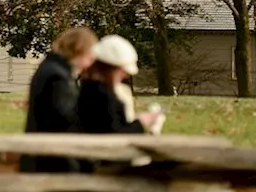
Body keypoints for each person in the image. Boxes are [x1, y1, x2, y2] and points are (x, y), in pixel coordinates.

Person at [19, 26, 98, 174]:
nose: (89, 64)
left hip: (43, 156)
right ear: (79, 50)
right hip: (55, 161)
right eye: (89, 58)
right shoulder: (58, 77)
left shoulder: (50, 68)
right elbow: (66, 118)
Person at [77, 35, 165, 136]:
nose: (124, 76)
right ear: (109, 69)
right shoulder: (101, 96)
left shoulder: (87, 89)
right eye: (122, 72)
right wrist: (141, 122)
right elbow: (115, 135)